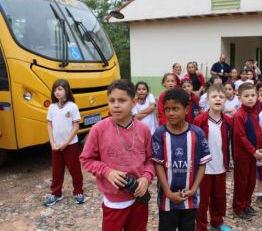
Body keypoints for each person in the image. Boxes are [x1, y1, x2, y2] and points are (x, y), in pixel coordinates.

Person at [80, 80, 155, 231]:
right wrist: (107, 172)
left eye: (122, 100)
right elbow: (86, 159)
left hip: (139, 198)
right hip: (114, 201)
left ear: (133, 103)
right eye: (112, 100)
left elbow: (150, 160)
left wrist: (146, 177)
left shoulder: (143, 130)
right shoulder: (98, 129)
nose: (116, 105)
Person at [152, 88, 212, 231]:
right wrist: (167, 192)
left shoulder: (197, 133)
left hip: (190, 198)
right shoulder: (160, 134)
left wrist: (194, 188)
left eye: (175, 109)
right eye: (167, 109)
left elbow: (202, 163)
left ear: (186, 109)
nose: (170, 113)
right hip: (167, 199)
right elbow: (158, 165)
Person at [194, 84, 232, 231]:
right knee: (202, 200)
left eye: (221, 97)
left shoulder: (228, 121)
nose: (218, 99)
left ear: (225, 101)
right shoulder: (199, 121)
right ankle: (201, 226)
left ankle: (217, 221)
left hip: (220, 167)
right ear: (207, 100)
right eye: (214, 96)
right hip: (204, 169)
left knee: (219, 197)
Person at [43, 79, 84, 206]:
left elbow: (76, 127)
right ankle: (56, 193)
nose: (57, 92)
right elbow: (49, 125)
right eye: (55, 89)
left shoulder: (72, 106)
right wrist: (52, 143)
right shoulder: (52, 107)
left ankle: (78, 191)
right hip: (55, 145)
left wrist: (66, 143)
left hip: (70, 145)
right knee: (57, 170)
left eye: (60, 89)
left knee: (74, 169)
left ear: (66, 90)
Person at [233, 82, 262, 220]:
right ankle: (238, 208)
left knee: (251, 181)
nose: (250, 98)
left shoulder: (255, 113)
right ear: (239, 98)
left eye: (253, 95)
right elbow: (240, 137)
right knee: (241, 182)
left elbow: (259, 132)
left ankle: (247, 204)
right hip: (242, 155)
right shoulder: (239, 115)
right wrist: (253, 152)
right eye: (246, 96)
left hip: (254, 154)